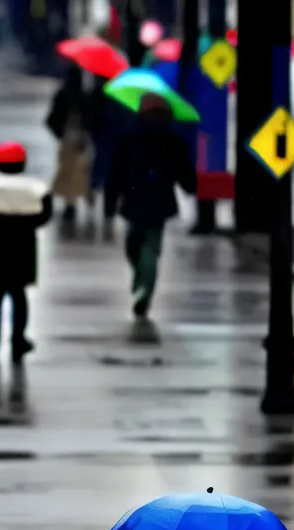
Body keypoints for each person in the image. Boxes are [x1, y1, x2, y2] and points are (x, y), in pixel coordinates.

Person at [104, 93, 197, 343]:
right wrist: (190, 186)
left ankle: (142, 286)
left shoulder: (130, 134)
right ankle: (144, 285)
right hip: (159, 197)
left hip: (135, 196)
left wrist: (110, 202)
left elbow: (115, 170)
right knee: (150, 246)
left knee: (136, 243)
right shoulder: (172, 136)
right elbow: (183, 168)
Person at [0, 141, 52, 363]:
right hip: (23, 247)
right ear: (23, 163)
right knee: (19, 296)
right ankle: (18, 339)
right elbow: (45, 214)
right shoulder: (35, 188)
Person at [46, 64, 94, 224]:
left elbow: (51, 119)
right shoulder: (84, 96)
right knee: (78, 171)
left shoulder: (62, 95)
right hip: (80, 139)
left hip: (68, 138)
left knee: (66, 170)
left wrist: (60, 134)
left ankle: (69, 200)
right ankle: (75, 199)